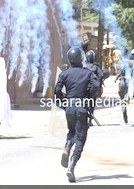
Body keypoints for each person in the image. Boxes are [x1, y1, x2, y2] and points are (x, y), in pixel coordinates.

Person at [54, 47, 100, 183]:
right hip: (81, 108)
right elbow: (96, 85)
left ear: (70, 59)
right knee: (80, 138)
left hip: (69, 107)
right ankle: (71, 167)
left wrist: (64, 100)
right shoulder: (88, 73)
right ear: (82, 58)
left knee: (72, 131)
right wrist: (88, 95)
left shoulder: (65, 73)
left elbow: (57, 90)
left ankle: (67, 147)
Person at [85, 50, 104, 126]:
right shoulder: (96, 67)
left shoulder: (84, 67)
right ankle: (90, 120)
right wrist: (97, 83)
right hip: (93, 89)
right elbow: (101, 75)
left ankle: (86, 119)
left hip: (84, 88)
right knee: (92, 104)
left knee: (85, 104)